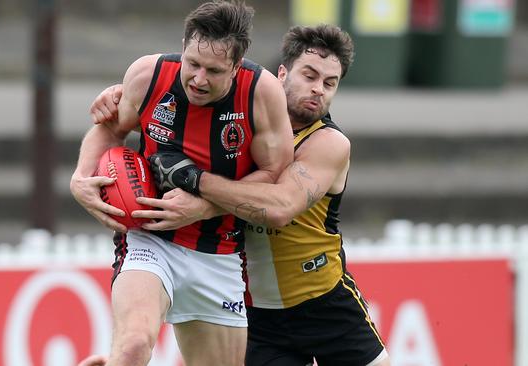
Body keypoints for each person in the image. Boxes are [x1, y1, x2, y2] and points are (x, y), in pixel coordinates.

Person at [88, 24, 390, 366]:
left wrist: (196, 184)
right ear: (281, 73)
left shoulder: (328, 143)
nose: (318, 89)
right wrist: (121, 93)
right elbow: (168, 100)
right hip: (257, 313)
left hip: (323, 302)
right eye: (309, 75)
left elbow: (279, 206)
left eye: (329, 83)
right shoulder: (242, 113)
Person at [69, 1, 293, 366]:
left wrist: (205, 205)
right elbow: (110, 127)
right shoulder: (148, 75)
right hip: (150, 238)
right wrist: (80, 177)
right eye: (193, 63)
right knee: (134, 347)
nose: (198, 79)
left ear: (236, 67)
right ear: (184, 47)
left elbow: (273, 176)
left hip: (217, 252)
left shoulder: (261, 94)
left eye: (214, 70)